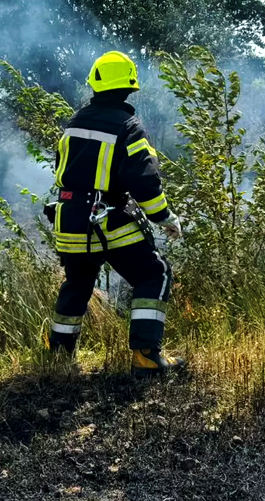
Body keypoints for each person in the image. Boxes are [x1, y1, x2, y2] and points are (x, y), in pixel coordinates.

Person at [43, 50, 186, 377]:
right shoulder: (128, 126)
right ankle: (146, 358)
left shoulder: (74, 123)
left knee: (77, 282)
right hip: (107, 220)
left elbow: (62, 170)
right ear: (129, 88)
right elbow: (144, 180)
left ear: (95, 85)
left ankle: (58, 360)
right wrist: (165, 217)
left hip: (69, 220)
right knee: (155, 274)